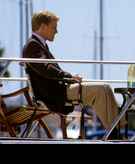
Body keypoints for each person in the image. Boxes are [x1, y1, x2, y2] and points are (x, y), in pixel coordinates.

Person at [22, 10, 126, 139]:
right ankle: (115, 134)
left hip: (59, 90)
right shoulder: (33, 45)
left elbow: (46, 70)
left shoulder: (37, 45)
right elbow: (47, 69)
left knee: (105, 87)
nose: (56, 31)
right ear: (43, 27)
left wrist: (69, 78)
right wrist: (70, 76)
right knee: (101, 88)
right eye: (54, 27)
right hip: (56, 94)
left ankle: (116, 131)